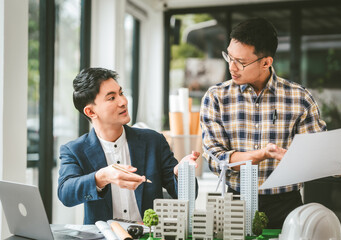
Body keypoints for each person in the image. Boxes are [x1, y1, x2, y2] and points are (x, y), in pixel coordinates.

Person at [200, 17, 327, 229]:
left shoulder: (299, 97)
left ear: (266, 62)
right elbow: (216, 159)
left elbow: (317, 155)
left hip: (286, 205)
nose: (232, 67)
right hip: (235, 203)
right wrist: (262, 154)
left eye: (240, 62)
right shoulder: (216, 97)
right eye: (229, 57)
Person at [58, 67, 199, 224]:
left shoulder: (153, 141)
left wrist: (182, 174)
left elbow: (187, 195)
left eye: (121, 93)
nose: (123, 101)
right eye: (111, 98)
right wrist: (103, 177)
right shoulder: (74, 150)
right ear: (90, 112)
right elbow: (65, 193)